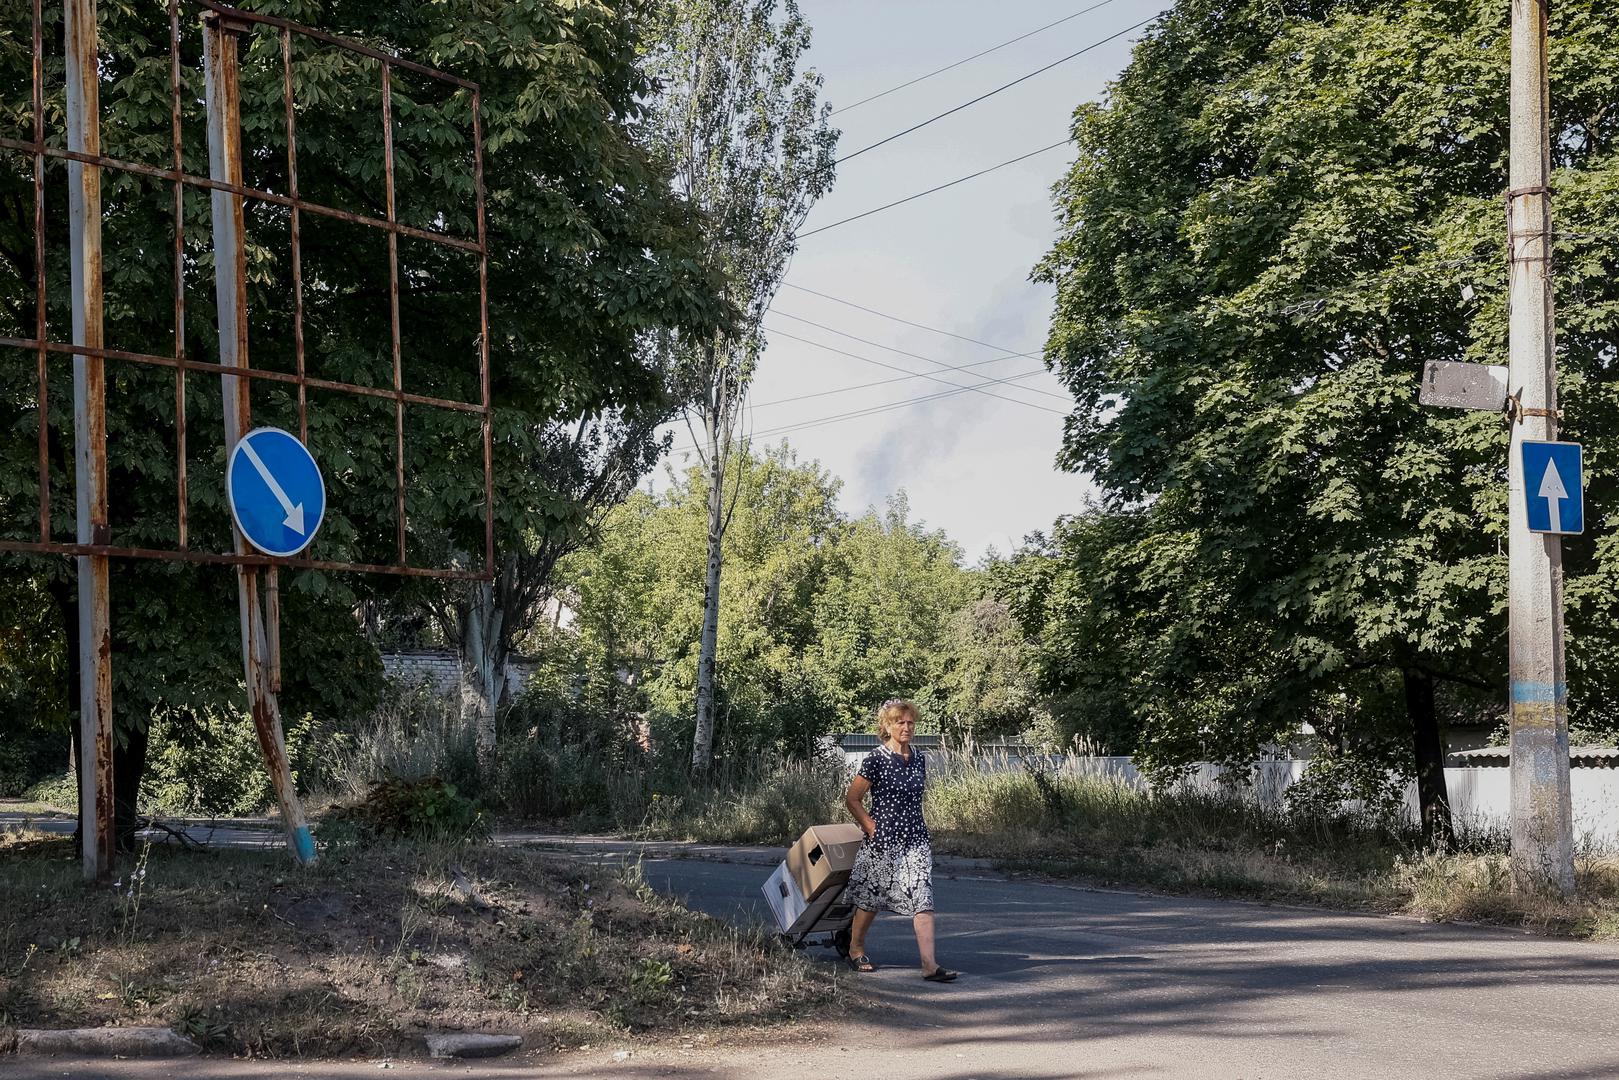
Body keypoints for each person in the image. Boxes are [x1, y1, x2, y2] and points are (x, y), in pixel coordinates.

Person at [842, 698, 956, 982]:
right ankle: (855, 948)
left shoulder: (919, 758)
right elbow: (853, 799)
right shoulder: (876, 759)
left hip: (916, 838)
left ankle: (930, 965)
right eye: (900, 723)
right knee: (872, 898)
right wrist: (871, 827)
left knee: (923, 897)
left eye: (910, 722)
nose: (906, 727)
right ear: (887, 727)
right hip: (883, 839)